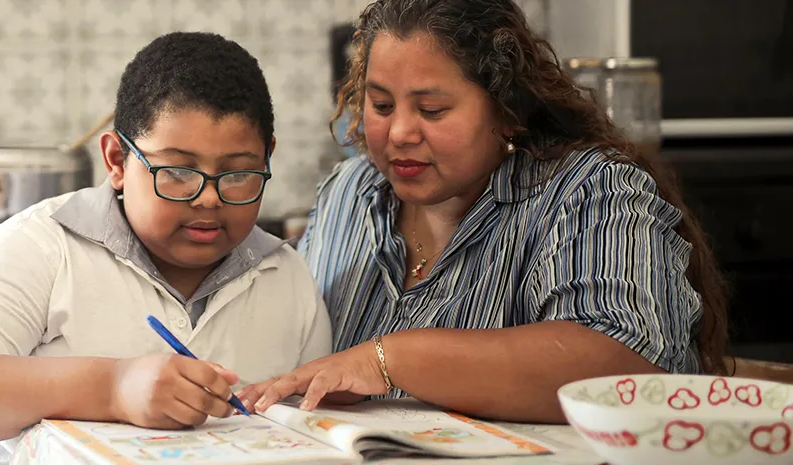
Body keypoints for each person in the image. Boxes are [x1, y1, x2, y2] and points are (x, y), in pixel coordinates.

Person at [238, 0, 729, 424]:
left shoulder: (590, 193)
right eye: (381, 105)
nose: (399, 132)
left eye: (431, 110)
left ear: (505, 110)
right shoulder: (348, 192)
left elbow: (624, 368)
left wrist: (392, 359)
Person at [0, 32, 332, 465]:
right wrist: (113, 387)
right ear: (117, 162)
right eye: (178, 171)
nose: (208, 198)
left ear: (267, 158)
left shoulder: (285, 277)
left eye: (238, 173)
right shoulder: (43, 244)